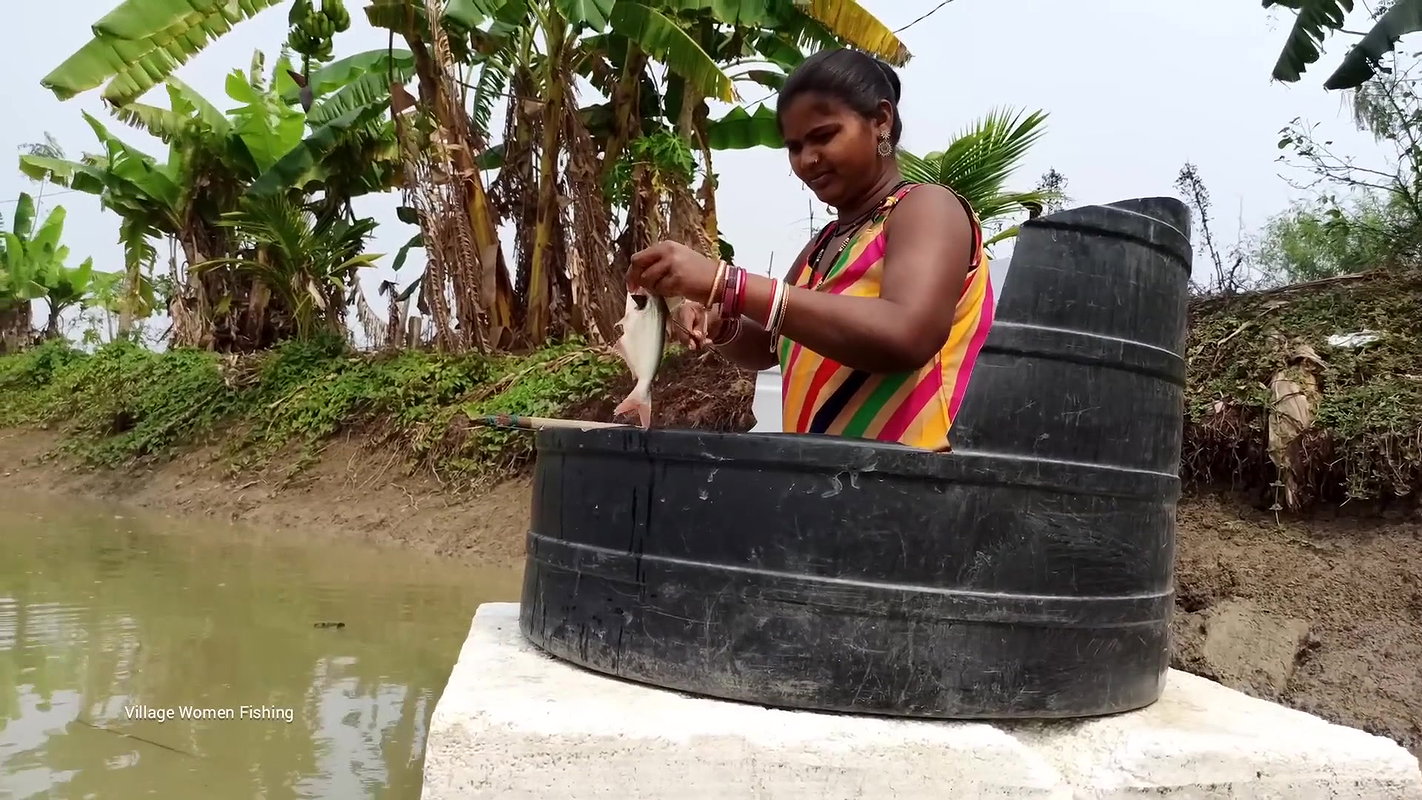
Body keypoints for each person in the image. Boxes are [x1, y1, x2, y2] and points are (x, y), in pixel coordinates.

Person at [625, 47, 995, 452]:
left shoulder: (926, 208)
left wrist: (725, 281)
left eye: (824, 136)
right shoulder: (824, 244)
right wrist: (718, 319)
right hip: (827, 487)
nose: (808, 160)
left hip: (913, 487)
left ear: (881, 121)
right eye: (795, 146)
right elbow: (770, 343)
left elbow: (908, 333)